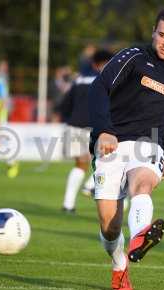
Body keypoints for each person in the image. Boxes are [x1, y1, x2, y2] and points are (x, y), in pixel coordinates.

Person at [88, 7, 164, 290]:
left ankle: (140, 237)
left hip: (150, 143)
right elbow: (98, 89)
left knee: (142, 184)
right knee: (109, 227)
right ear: (153, 32)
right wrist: (104, 130)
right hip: (112, 141)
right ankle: (120, 262)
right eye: (162, 34)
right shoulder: (132, 56)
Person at [59, 49, 113, 213]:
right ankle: (90, 185)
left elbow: (65, 104)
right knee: (111, 157)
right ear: (102, 63)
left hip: (74, 125)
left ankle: (68, 205)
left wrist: (69, 119)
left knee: (80, 164)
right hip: (94, 126)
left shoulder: (79, 78)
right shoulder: (105, 78)